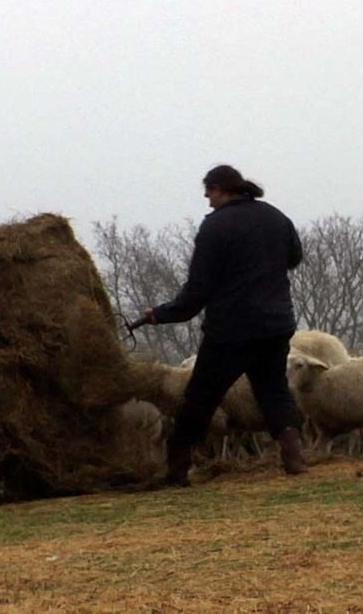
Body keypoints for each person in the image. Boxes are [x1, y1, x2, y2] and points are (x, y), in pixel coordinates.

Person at [138, 165, 308, 486]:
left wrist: (160, 314)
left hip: (232, 329)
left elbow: (197, 291)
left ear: (220, 189)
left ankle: (176, 467)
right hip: (275, 323)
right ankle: (294, 456)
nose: (208, 202)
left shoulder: (215, 227)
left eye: (209, 194)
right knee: (273, 389)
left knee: (201, 396)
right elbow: (294, 258)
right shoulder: (275, 217)